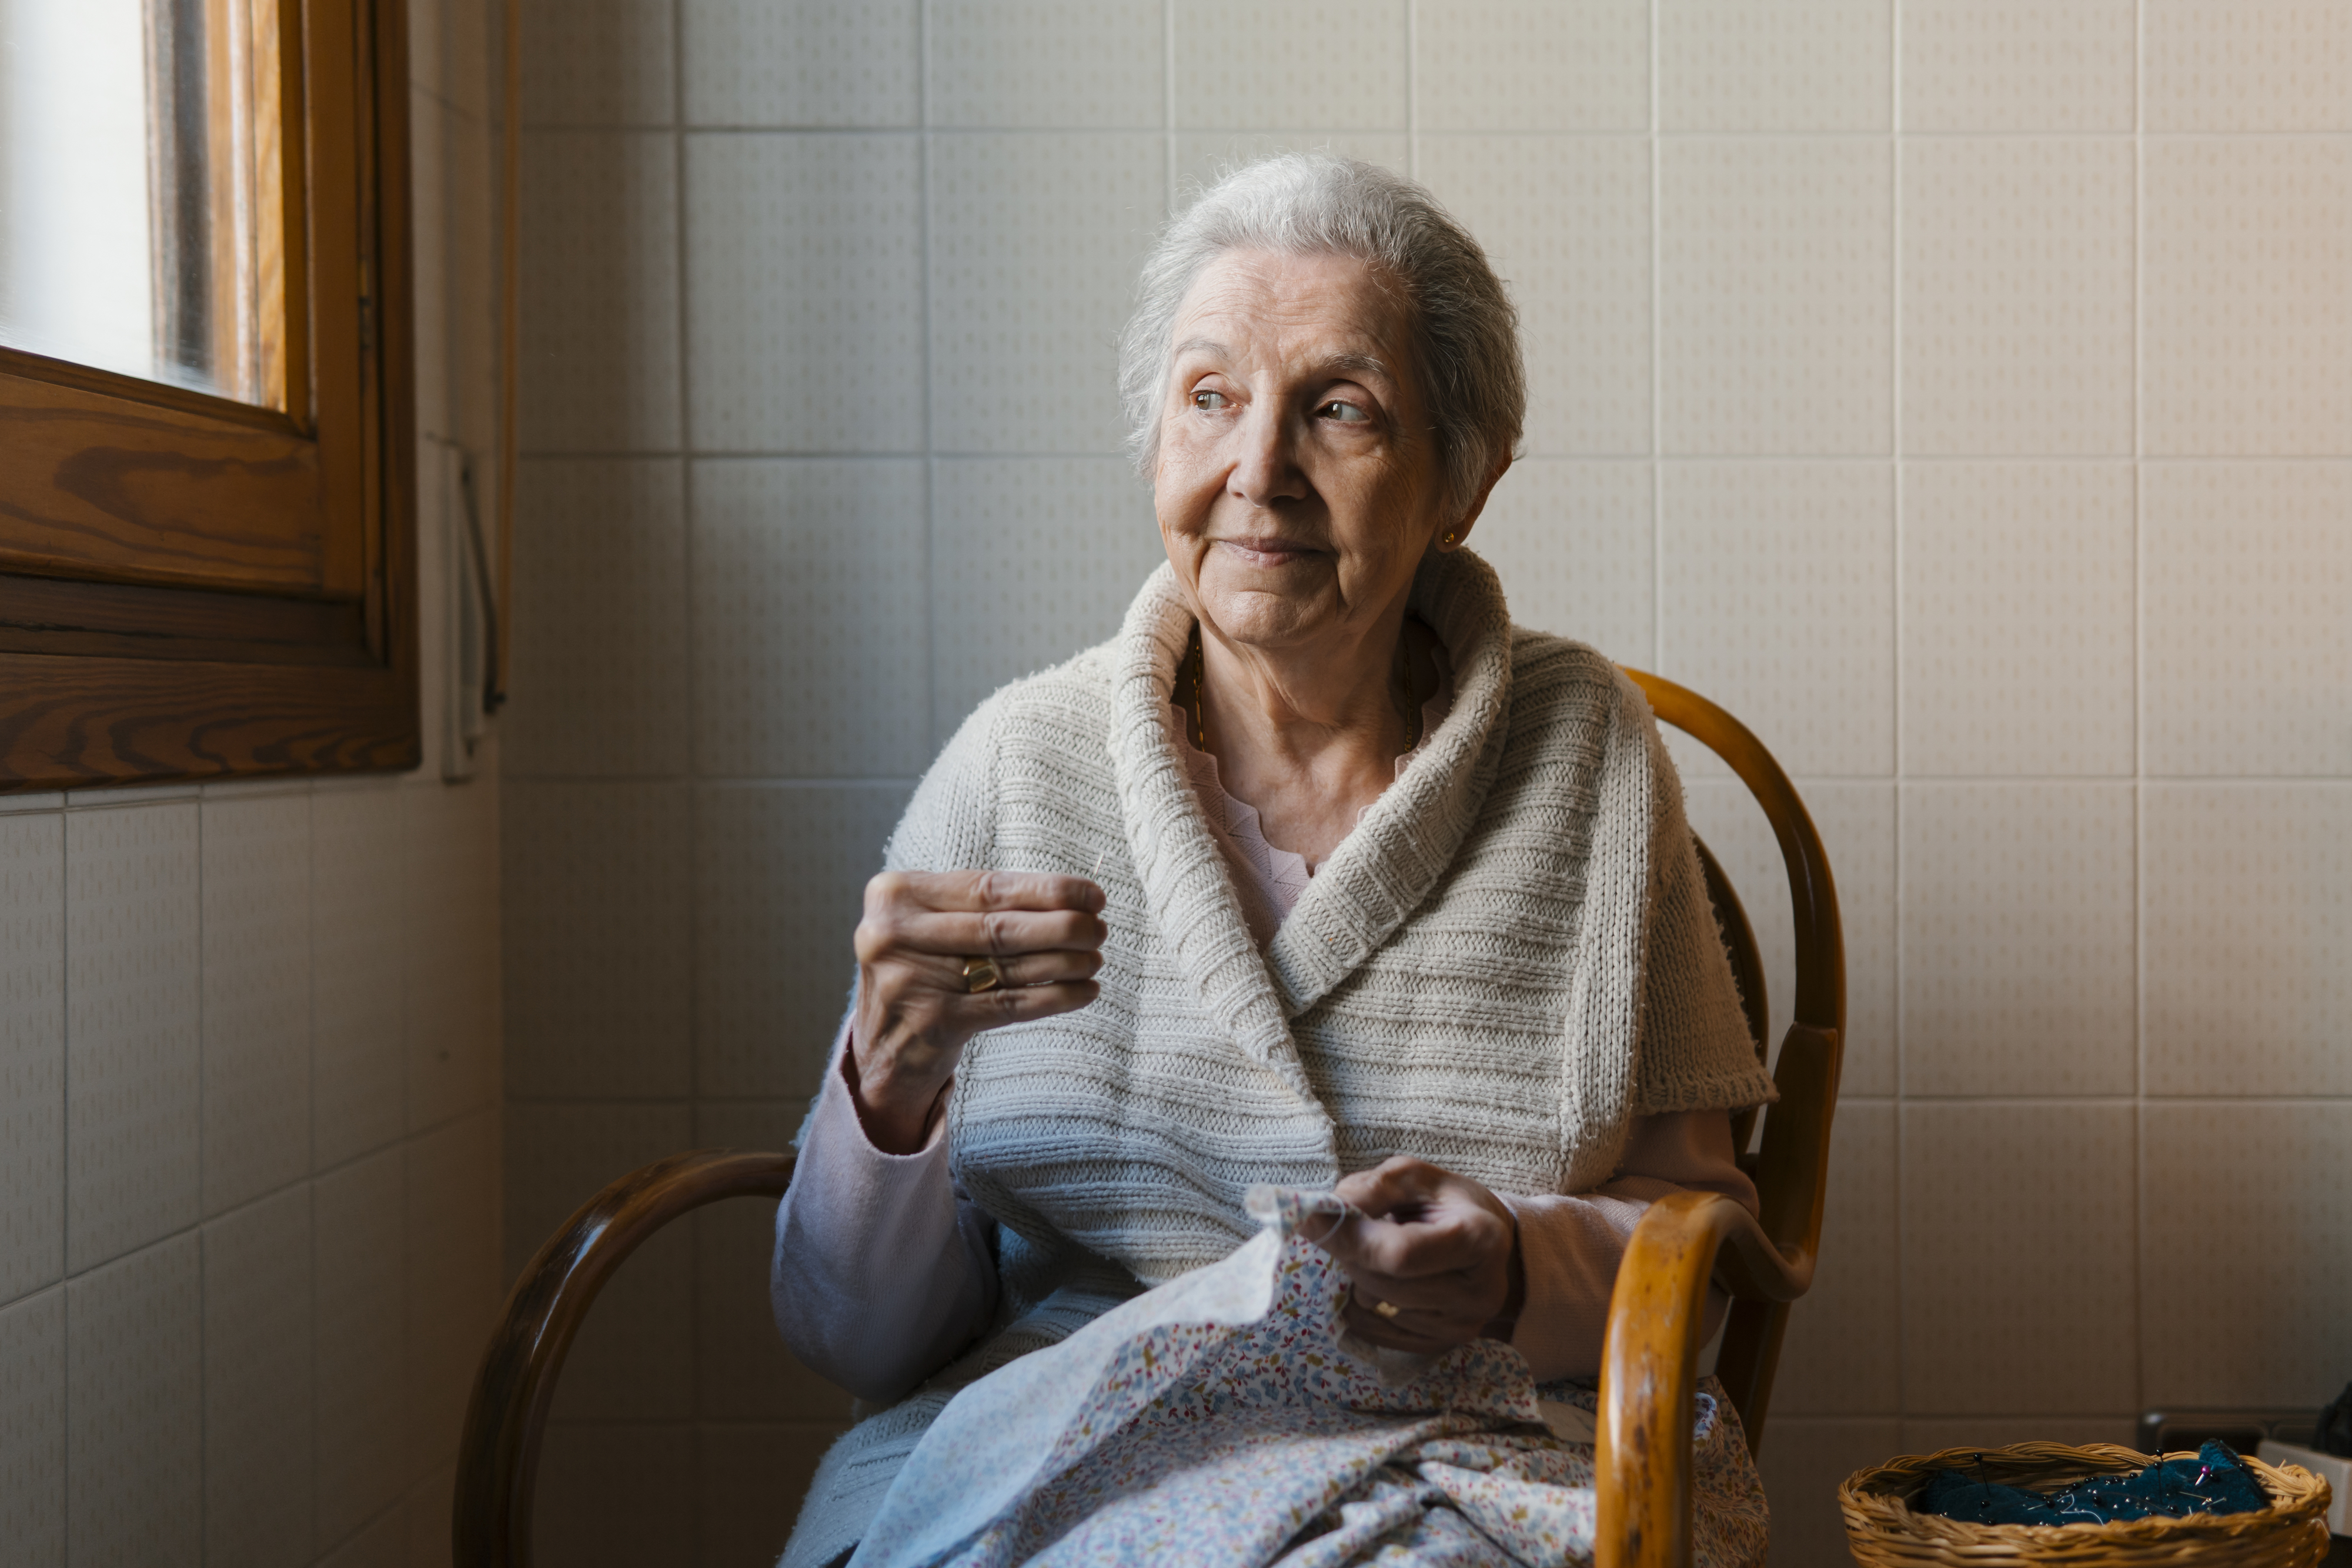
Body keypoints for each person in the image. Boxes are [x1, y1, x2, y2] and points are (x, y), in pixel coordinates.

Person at [770, 153, 1778, 1568]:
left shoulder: (1582, 753)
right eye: (1209, 399)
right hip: (1062, 1445)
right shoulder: (1020, 763)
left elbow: (1701, 1242)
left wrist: (1510, 1265)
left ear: (1461, 481)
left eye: (1339, 409)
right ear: (1155, 444)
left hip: (1475, 1442)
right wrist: (889, 1075)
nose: (1257, 472)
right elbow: (851, 1338)